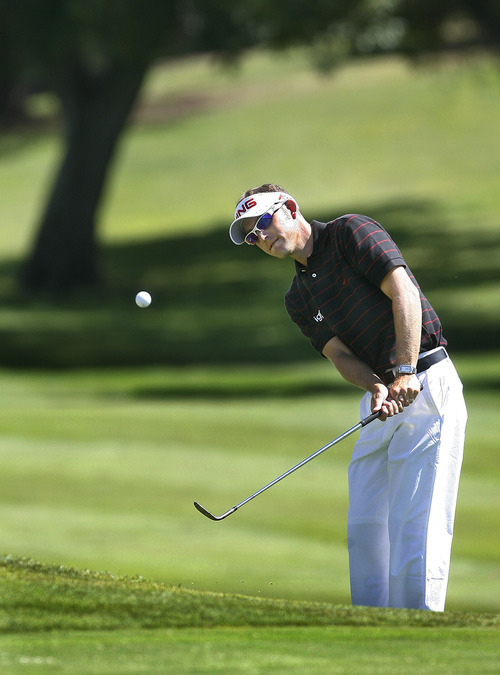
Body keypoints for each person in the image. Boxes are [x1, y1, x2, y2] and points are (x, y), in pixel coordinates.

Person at [228, 183, 467, 612]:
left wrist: (406, 370)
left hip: (426, 383)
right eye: (250, 234)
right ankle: (370, 629)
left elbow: (404, 291)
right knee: (365, 526)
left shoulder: (350, 232)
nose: (260, 236)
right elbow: (338, 353)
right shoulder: (297, 297)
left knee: (417, 525)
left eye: (263, 221)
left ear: (291, 208)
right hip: (382, 399)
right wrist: (376, 386)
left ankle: (419, 634)